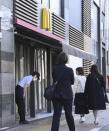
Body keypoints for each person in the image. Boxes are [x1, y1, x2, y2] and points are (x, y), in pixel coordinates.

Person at [51, 52, 75, 131]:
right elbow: (72, 82)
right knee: (68, 114)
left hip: (57, 94)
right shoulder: (70, 70)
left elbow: (54, 80)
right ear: (66, 59)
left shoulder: (54, 69)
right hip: (67, 94)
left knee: (56, 115)